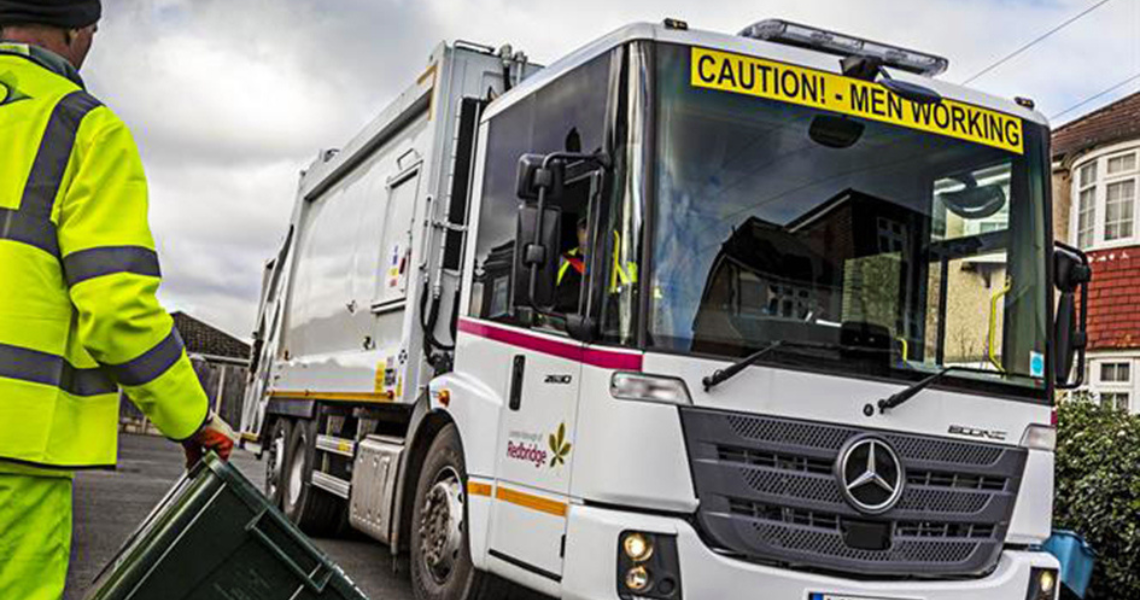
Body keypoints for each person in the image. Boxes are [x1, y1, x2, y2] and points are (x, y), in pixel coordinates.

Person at [0, 2, 234, 598]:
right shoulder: (82, 130)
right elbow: (116, 311)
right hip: (14, 459)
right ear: (77, 33)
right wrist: (191, 420)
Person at [556, 215, 589, 312]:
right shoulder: (563, 259)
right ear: (578, 232)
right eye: (583, 228)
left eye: (589, 228)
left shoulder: (612, 263)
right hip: (561, 319)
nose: (586, 234)